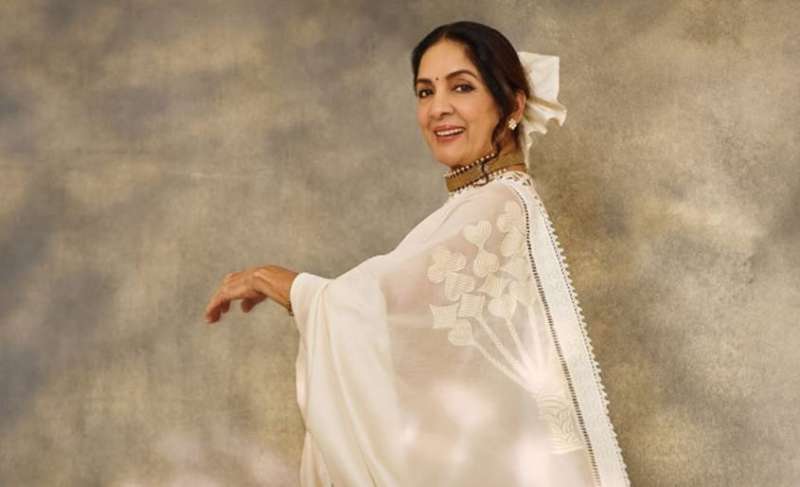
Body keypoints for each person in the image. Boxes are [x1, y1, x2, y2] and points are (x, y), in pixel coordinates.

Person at [204, 20, 630, 487]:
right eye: (425, 92)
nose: (438, 108)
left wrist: (279, 282)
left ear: (512, 105)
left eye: (462, 87)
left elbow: (382, 307)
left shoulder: (497, 205)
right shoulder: (484, 200)